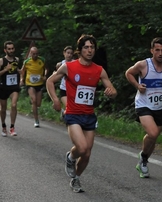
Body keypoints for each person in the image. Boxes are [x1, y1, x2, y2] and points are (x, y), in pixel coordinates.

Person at [46, 34, 117, 193]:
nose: (90, 50)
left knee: (87, 153)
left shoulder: (99, 70)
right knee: (82, 147)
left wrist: (111, 92)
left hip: (89, 115)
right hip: (73, 114)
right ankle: (71, 157)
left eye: (92, 47)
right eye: (86, 47)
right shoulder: (69, 67)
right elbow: (50, 81)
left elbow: (113, 91)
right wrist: (56, 100)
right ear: (80, 50)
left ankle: (76, 178)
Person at [125, 37, 162, 178]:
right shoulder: (143, 65)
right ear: (152, 50)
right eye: (157, 50)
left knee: (154, 137)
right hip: (143, 104)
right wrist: (137, 85)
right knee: (153, 133)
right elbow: (128, 73)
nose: (160, 53)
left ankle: (143, 160)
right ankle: (143, 157)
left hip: (159, 106)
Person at [20, 46, 48, 128]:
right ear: (30, 54)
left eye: (36, 54)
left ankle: (32, 102)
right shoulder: (27, 61)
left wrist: (45, 75)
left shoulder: (42, 60)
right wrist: (21, 79)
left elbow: (46, 68)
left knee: (38, 104)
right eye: (33, 54)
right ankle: (36, 120)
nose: (35, 55)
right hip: (30, 83)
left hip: (39, 84)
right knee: (34, 101)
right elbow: (22, 71)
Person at [0, 41, 21, 136]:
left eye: (12, 48)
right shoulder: (1, 61)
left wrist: (21, 77)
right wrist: (5, 69)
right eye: (9, 49)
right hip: (3, 87)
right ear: (5, 50)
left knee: (13, 105)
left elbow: (17, 70)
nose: (11, 50)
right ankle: (3, 126)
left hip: (14, 87)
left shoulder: (17, 59)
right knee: (3, 109)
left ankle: (12, 127)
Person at [55, 46, 74, 120]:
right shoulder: (60, 64)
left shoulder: (75, 63)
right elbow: (56, 75)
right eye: (68, 53)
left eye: (71, 53)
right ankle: (69, 121)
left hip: (73, 89)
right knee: (69, 107)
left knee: (72, 108)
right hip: (63, 89)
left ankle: (64, 112)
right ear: (64, 53)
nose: (69, 55)